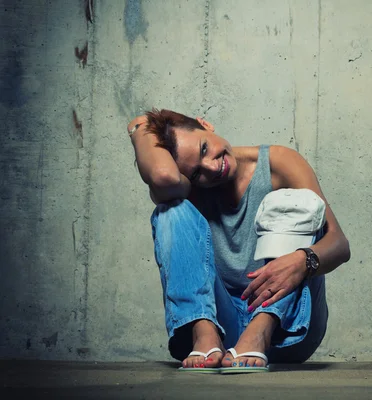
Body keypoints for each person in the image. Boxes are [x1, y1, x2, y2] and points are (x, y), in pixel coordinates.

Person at [127, 109, 350, 371]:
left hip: (287, 326)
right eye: (197, 172)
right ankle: (204, 331)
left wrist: (303, 261)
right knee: (170, 211)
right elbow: (163, 176)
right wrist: (138, 129)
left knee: (298, 202)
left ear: (205, 124)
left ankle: (260, 330)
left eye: (204, 149)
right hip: (225, 330)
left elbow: (339, 244)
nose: (212, 167)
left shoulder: (278, 163)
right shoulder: (188, 189)